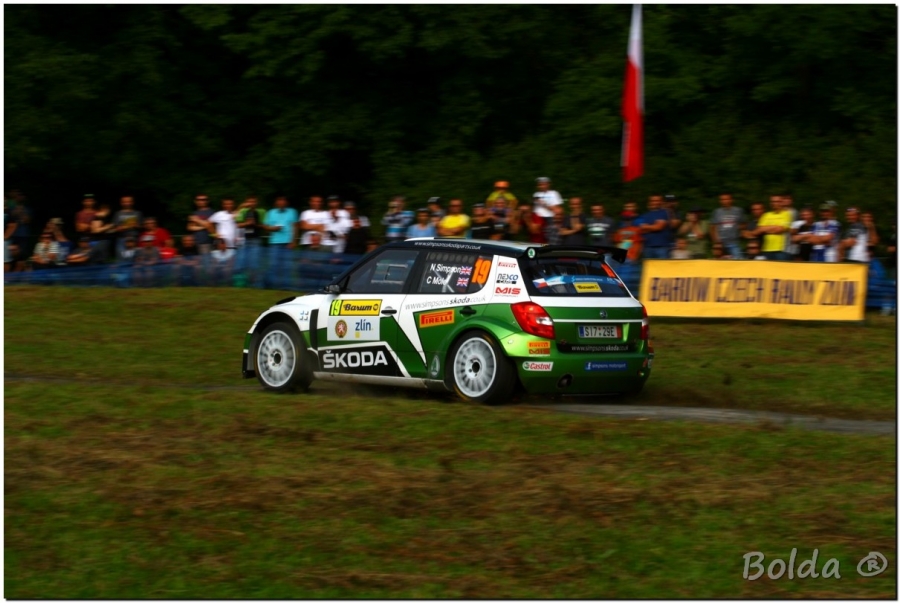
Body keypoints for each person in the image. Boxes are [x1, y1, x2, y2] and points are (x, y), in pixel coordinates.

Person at [264, 196, 298, 289]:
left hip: (288, 243)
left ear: (286, 202)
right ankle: (273, 286)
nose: (281, 202)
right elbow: (265, 227)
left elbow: (295, 227)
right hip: (274, 243)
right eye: (279, 200)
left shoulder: (292, 212)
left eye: (283, 200)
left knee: (287, 266)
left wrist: (293, 241)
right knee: (273, 265)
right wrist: (273, 228)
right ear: (276, 202)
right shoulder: (271, 212)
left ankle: (286, 287)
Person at [235, 196, 266, 286]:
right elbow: (238, 225)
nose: (251, 203)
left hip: (256, 239)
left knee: (255, 262)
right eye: (249, 201)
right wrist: (247, 223)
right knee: (243, 262)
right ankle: (243, 282)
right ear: (246, 202)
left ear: (257, 202)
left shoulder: (261, 211)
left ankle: (256, 283)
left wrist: (255, 224)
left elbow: (264, 225)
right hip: (245, 240)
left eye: (253, 201)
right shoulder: (243, 211)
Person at [637, 195, 673, 259]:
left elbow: (659, 227)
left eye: (657, 200)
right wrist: (653, 226)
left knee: (662, 265)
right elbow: (641, 229)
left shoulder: (664, 213)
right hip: (647, 247)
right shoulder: (645, 215)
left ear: (661, 202)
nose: (654, 202)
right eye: (652, 201)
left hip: (662, 247)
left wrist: (647, 227)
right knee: (648, 265)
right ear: (649, 202)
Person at [710, 193, 745, 259]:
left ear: (731, 200)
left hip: (734, 242)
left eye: (726, 199)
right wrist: (716, 242)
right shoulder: (717, 212)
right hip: (721, 244)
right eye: (722, 199)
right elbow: (712, 227)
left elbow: (744, 224)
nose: (724, 201)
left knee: (738, 261)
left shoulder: (738, 211)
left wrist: (739, 230)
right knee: (719, 262)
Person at [756, 196, 792, 261]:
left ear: (781, 203)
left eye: (777, 201)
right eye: (772, 201)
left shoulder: (786, 214)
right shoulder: (766, 215)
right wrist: (774, 227)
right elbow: (759, 230)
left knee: (781, 267)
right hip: (766, 249)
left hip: (781, 250)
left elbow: (780, 229)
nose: (774, 203)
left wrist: (766, 229)